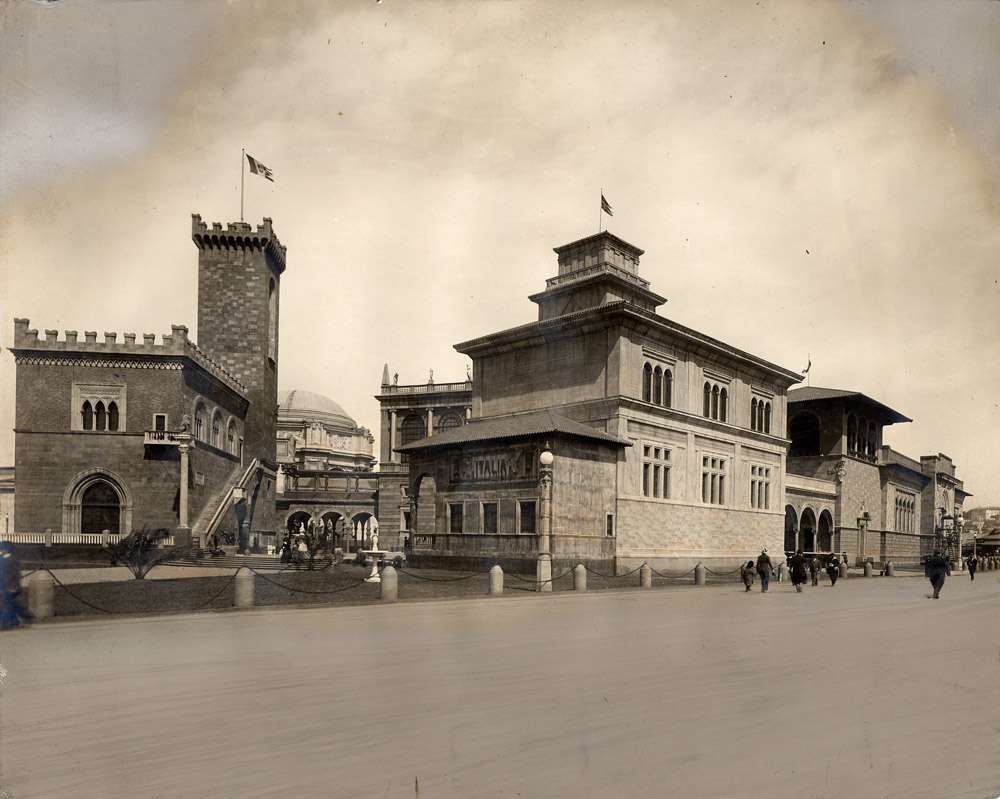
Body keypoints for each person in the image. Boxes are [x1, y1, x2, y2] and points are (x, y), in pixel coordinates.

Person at [0, 541, 32, 629]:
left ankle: (8, 622)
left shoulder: (7, 559)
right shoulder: (10, 559)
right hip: (8, 586)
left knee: (8, 604)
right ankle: (20, 618)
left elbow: (11, 575)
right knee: (10, 603)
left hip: (8, 586)